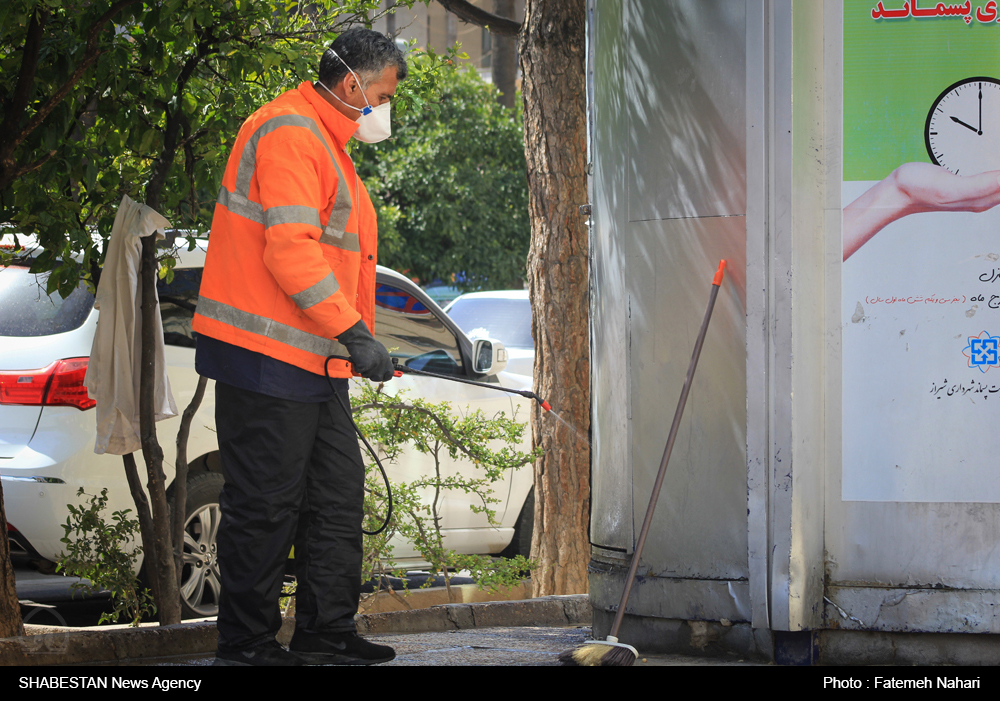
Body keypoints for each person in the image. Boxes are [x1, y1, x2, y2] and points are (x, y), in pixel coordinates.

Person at [192, 28, 406, 666]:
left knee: (337, 497)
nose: (384, 109)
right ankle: (247, 646)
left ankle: (326, 634)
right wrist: (355, 333)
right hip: (265, 359)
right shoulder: (289, 132)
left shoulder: (330, 145)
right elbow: (291, 251)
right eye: (383, 95)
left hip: (313, 359)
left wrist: (349, 341)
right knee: (266, 504)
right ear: (351, 85)